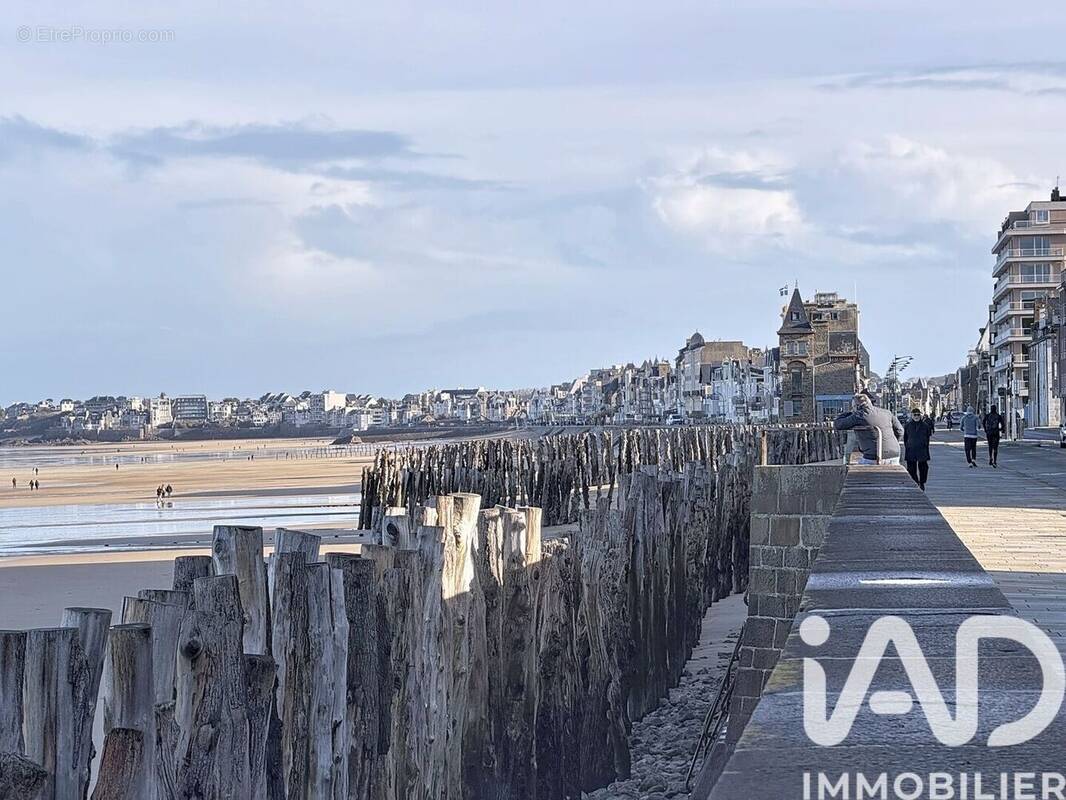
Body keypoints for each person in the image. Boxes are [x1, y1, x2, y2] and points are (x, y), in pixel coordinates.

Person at [833, 393, 903, 464]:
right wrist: (890, 444)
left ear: (857, 406)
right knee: (892, 474)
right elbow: (900, 431)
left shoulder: (859, 415)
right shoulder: (887, 412)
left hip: (873, 455)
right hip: (894, 453)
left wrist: (850, 412)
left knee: (858, 472)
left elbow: (838, 424)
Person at [903, 408, 934, 490]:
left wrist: (925, 446)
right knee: (911, 469)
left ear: (920, 415)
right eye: (915, 415)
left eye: (918, 414)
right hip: (911, 450)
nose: (916, 416)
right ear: (912, 415)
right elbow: (905, 438)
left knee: (924, 468)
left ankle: (922, 482)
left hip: (922, 449)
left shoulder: (925, 426)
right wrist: (908, 446)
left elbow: (928, 437)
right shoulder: (907, 426)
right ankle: (916, 482)